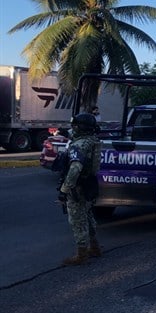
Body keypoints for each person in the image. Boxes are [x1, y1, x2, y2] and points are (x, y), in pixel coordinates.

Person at [59, 113, 102, 265]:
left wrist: (64, 190)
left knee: (77, 219)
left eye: (75, 126)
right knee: (88, 216)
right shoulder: (92, 141)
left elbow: (75, 168)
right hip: (89, 184)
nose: (73, 128)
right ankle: (95, 247)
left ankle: (82, 254)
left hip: (78, 186)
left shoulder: (79, 145)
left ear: (80, 127)